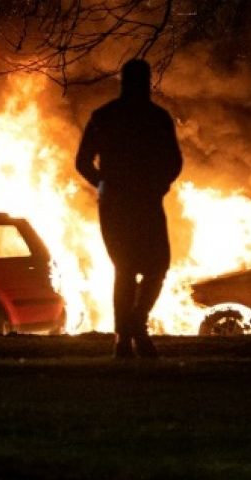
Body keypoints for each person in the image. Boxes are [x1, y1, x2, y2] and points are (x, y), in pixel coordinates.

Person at [75, 59, 182, 358]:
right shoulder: (152, 117)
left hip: (128, 202)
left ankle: (130, 329)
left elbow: (83, 161)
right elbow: (174, 162)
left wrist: (103, 185)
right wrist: (158, 183)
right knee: (142, 267)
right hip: (133, 202)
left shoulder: (110, 116)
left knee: (141, 268)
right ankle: (131, 333)